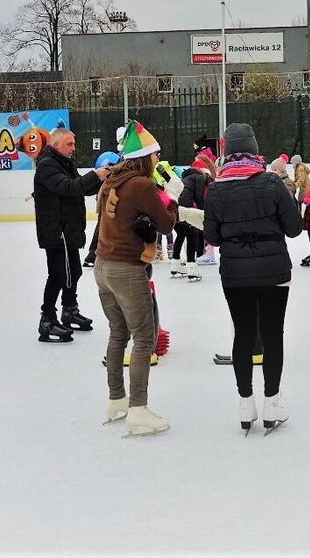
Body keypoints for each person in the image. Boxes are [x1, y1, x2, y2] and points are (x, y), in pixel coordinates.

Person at [204, 123, 303, 433]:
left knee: (244, 334)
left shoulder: (217, 189)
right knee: (273, 334)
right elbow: (295, 228)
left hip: (234, 274)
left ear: (227, 152)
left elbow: (212, 237)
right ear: (255, 149)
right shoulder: (272, 184)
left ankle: (246, 402)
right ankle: (272, 400)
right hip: (274, 271)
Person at [94, 120, 181, 436]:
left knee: (118, 333)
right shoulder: (141, 185)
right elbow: (166, 224)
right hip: (126, 269)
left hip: (103, 267)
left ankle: (116, 399)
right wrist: (171, 196)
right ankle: (138, 410)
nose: (158, 160)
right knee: (144, 336)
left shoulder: (112, 181)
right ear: (145, 157)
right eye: (156, 155)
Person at [33, 127, 109, 343]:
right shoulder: (47, 164)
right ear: (56, 144)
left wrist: (102, 180)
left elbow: (80, 189)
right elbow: (67, 187)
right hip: (56, 231)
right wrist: (95, 174)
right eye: (69, 144)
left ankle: (69, 310)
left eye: (74, 144)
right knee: (57, 275)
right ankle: (47, 320)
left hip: (68, 229)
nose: (73, 148)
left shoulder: (65, 163)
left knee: (73, 272)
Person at [173, 147, 216, 282]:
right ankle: (191, 268)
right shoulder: (199, 177)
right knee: (192, 235)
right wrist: (204, 212)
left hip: (174, 207)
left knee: (180, 234)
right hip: (186, 208)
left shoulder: (185, 178)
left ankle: (175, 264)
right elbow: (198, 196)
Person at [83, 150, 121, 268]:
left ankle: (95, 254)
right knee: (102, 229)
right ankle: (93, 254)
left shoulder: (115, 179)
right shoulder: (104, 181)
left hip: (110, 211)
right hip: (107, 211)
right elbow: (87, 190)